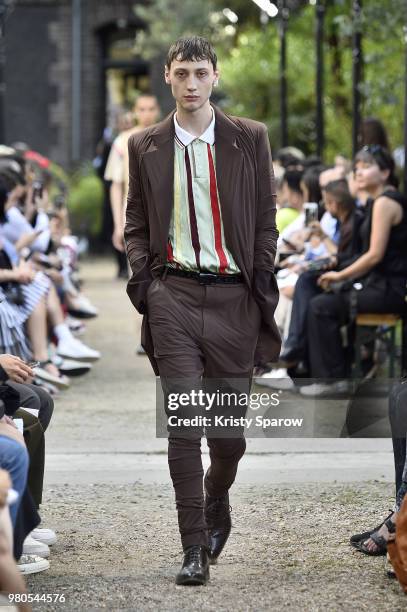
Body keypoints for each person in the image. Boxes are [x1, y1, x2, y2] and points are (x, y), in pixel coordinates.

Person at [124, 36, 280, 585]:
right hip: (175, 298)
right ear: (167, 76)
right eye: (182, 72)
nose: (191, 83)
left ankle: (217, 497)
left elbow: (265, 217)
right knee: (185, 425)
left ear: (215, 76)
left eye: (200, 73)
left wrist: (261, 275)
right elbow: (136, 222)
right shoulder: (144, 144)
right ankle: (193, 546)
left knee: (229, 438)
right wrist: (147, 285)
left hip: (236, 296)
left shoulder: (248, 138)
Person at [299, 146, 407, 396]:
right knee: (317, 292)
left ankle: (332, 379)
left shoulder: (385, 203)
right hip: (380, 285)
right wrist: (337, 263)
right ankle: (325, 368)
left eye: (366, 166)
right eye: (357, 167)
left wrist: (340, 275)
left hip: (389, 290)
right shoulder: (376, 202)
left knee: (321, 306)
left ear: (385, 172)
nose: (358, 171)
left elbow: (374, 255)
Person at [104, 94, 161, 257]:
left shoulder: (170, 138)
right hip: (134, 214)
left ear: (157, 111)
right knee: (139, 274)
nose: (147, 114)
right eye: (142, 109)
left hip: (164, 215)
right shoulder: (122, 141)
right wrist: (118, 224)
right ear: (135, 112)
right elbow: (116, 186)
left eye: (151, 109)